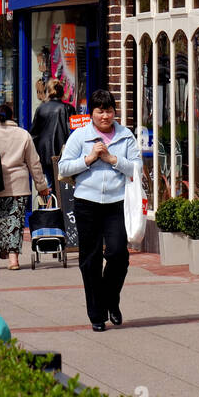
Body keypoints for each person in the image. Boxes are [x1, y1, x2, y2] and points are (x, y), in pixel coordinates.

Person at [57, 88, 141, 332]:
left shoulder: (126, 136)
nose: (105, 116)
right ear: (91, 113)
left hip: (117, 203)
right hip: (87, 203)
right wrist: (89, 158)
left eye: (109, 111)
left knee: (118, 255)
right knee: (90, 259)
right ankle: (96, 314)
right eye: (100, 111)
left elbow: (137, 168)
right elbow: (64, 168)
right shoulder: (79, 136)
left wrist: (113, 160)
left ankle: (111, 300)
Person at [0, 102, 50, 270]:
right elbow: (34, 163)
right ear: (12, 117)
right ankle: (14, 260)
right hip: (18, 187)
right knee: (14, 222)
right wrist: (41, 185)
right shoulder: (23, 134)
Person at [30, 78, 72, 190]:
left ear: (48, 91)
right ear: (62, 92)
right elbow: (73, 133)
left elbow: (34, 134)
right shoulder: (67, 108)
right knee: (64, 186)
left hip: (45, 153)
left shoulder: (41, 108)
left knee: (50, 185)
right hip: (63, 153)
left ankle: (50, 205)